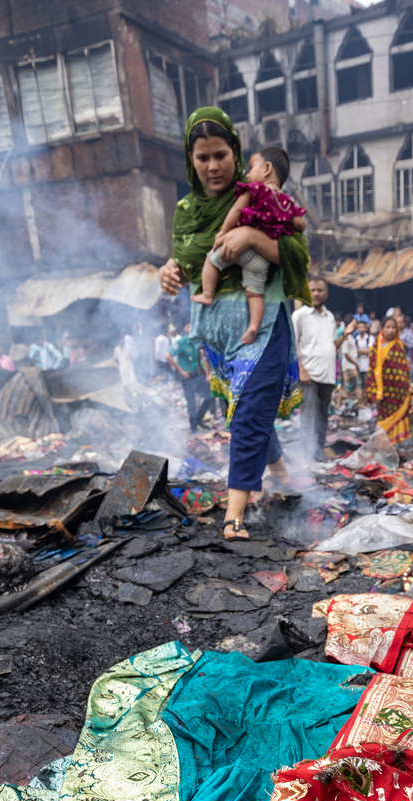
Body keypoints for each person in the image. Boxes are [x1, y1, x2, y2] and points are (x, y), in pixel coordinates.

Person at [158, 107, 311, 540]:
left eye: (221, 155)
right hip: (218, 333)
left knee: (245, 416)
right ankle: (282, 475)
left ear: (237, 154)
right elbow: (187, 260)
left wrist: (253, 237)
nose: (212, 166)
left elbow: (299, 255)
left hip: (262, 327)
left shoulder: (260, 195)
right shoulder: (186, 210)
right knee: (245, 411)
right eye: (202, 157)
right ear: (190, 160)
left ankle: (235, 515)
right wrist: (168, 272)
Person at [197, 146, 306, 346]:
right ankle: (254, 326)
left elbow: (237, 210)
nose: (248, 174)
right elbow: (300, 223)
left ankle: (207, 294)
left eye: (252, 167)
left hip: (240, 249)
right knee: (255, 294)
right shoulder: (288, 202)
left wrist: (223, 232)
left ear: (267, 168)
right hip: (262, 260)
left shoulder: (255, 190)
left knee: (212, 261)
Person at [292, 277, 354, 462]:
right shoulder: (299, 316)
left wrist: (345, 335)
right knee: (309, 416)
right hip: (309, 374)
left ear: (326, 294)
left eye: (320, 290)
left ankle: (317, 452)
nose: (316, 294)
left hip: (327, 375)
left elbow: (331, 347)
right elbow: (292, 346)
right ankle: (305, 455)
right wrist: (301, 370)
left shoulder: (330, 318)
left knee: (322, 416)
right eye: (312, 290)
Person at [364, 316, 411, 444]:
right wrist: (373, 391)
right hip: (382, 392)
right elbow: (372, 370)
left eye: (393, 327)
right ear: (382, 329)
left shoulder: (398, 347)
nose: (390, 330)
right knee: (383, 418)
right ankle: (383, 446)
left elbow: (403, 371)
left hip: (397, 393)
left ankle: (395, 446)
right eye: (388, 327)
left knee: (397, 418)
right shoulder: (376, 346)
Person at [167, 322, 206, 430]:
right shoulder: (182, 342)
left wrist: (203, 374)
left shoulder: (196, 342)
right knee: (191, 402)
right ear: (185, 328)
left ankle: (199, 418)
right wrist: (181, 371)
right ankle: (193, 427)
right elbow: (168, 356)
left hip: (196, 375)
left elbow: (198, 360)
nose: (192, 328)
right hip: (187, 377)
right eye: (189, 326)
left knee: (209, 396)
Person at [355, 318, 374, 397]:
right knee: (360, 385)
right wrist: (364, 351)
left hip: (368, 364)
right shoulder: (356, 339)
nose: (361, 329)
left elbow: (371, 351)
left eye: (363, 327)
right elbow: (354, 352)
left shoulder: (370, 338)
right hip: (359, 364)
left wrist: (359, 351)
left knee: (368, 383)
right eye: (359, 327)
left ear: (366, 328)